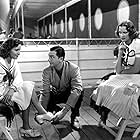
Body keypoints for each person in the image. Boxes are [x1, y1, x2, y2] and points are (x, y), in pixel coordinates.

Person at [0, 38, 54, 138]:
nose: (19, 53)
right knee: (27, 92)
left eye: (19, 50)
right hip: (1, 95)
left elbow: (19, 78)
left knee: (28, 87)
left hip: (9, 92)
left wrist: (12, 89)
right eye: (16, 50)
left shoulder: (13, 62)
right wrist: (6, 91)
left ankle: (36, 118)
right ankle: (37, 118)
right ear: (8, 50)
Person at [95, 20, 140, 125]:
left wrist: (121, 72)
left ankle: (121, 114)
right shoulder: (122, 44)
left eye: (125, 32)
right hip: (127, 75)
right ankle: (103, 115)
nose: (122, 35)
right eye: (120, 32)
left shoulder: (137, 44)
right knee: (103, 86)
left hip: (137, 75)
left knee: (120, 90)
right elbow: (117, 69)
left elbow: (137, 69)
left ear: (131, 32)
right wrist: (120, 52)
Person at [39, 46, 83, 130]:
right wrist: (42, 112)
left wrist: (64, 111)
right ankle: (53, 113)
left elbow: (77, 89)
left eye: (52, 57)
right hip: (56, 94)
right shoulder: (46, 71)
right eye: (49, 57)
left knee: (79, 92)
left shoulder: (73, 68)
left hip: (68, 94)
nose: (49, 60)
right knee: (46, 95)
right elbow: (45, 92)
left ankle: (75, 117)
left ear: (61, 58)